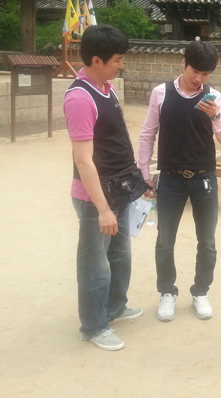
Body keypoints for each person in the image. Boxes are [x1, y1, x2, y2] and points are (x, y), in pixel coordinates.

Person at [137, 41, 221, 322]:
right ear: (183, 64)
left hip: (204, 179)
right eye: (195, 71)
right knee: (165, 240)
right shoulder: (161, 93)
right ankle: (167, 292)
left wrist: (215, 115)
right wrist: (144, 174)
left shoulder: (214, 97)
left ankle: (201, 292)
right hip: (170, 179)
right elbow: (148, 133)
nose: (199, 78)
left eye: (205, 74)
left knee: (208, 241)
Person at [63, 24, 144, 351]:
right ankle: (94, 325)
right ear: (96, 60)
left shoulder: (107, 89)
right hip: (95, 198)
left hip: (119, 188)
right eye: (117, 59)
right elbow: (84, 160)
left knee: (120, 255)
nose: (121, 65)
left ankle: (114, 307)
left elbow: (115, 143)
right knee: (95, 263)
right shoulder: (80, 98)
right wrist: (102, 209)